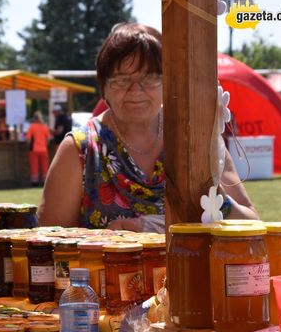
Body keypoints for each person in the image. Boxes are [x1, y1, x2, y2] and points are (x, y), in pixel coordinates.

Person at [38, 23, 259, 232]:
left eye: (150, 78)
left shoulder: (197, 141)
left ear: (168, 82)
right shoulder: (80, 150)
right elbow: (51, 244)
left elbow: (253, 223)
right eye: (121, 80)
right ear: (103, 88)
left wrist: (216, 200)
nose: (136, 90)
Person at [26, 111, 52, 186]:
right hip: (44, 149)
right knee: (45, 166)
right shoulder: (45, 126)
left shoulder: (32, 126)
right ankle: (45, 182)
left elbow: (28, 139)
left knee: (34, 166)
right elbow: (49, 138)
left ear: (34, 118)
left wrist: (28, 146)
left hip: (34, 149)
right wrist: (45, 145)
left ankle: (35, 183)